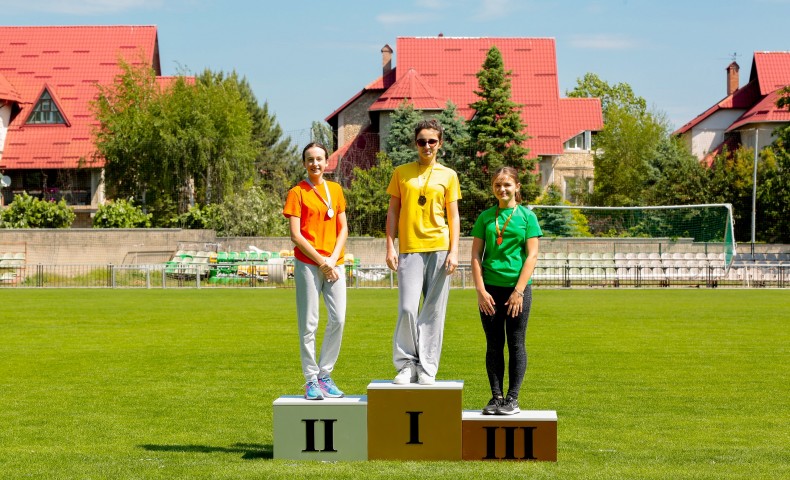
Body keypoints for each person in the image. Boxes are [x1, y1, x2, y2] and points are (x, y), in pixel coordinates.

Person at [385, 119, 461, 385]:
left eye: (431, 141)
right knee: (408, 308)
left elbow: (453, 217)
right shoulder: (401, 172)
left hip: (440, 248)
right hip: (409, 249)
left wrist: (454, 251)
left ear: (439, 143)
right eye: (421, 141)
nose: (426, 146)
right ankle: (406, 365)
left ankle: (427, 367)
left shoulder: (449, 175)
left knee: (433, 312)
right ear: (415, 143)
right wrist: (389, 246)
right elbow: (393, 211)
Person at [470, 166, 542, 415]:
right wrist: (480, 289)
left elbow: (532, 256)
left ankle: (513, 398)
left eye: (507, 185)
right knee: (493, 344)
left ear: (517, 187)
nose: (502, 189)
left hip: (517, 291)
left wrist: (519, 291)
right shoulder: (486, 217)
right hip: (489, 291)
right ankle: (496, 397)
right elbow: (476, 255)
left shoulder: (527, 217)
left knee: (515, 343)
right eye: (498, 185)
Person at [283, 142, 348, 400]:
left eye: (320, 159)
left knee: (338, 319)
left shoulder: (336, 189)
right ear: (304, 163)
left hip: (334, 263)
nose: (315, 164)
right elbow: (296, 236)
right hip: (309, 264)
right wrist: (322, 261)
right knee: (309, 323)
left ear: (327, 162)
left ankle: (325, 374)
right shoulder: (297, 193)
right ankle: (310, 379)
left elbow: (343, 229)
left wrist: (332, 260)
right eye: (310, 159)